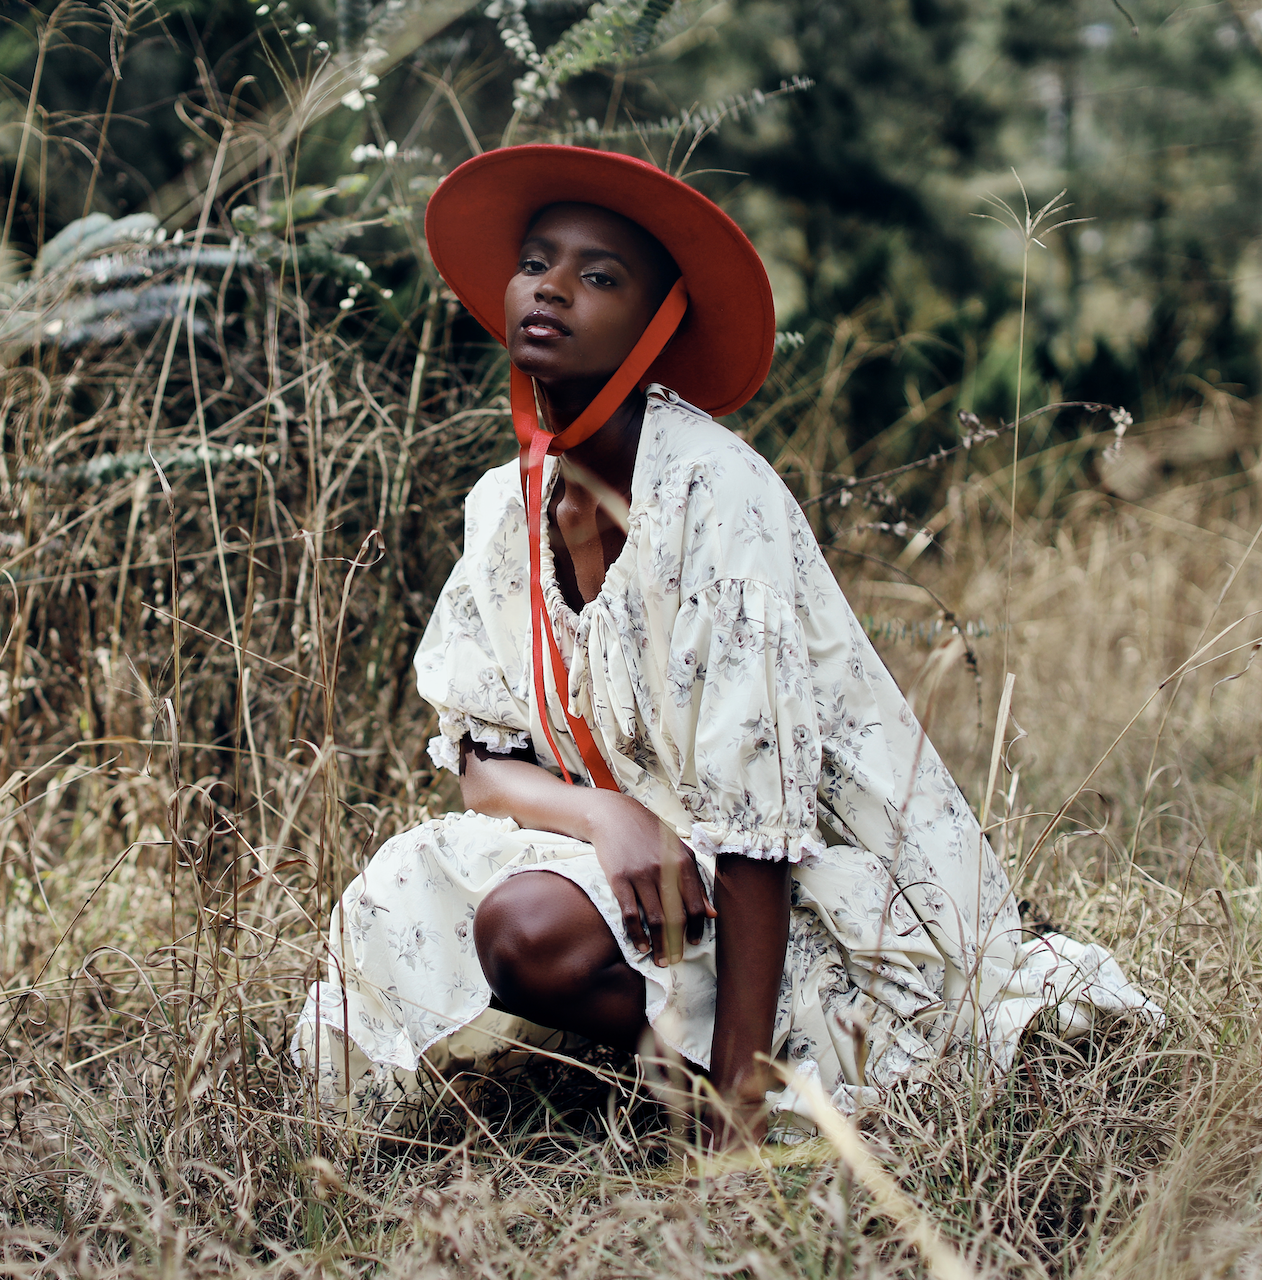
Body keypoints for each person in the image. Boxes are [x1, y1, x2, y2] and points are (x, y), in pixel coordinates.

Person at [292, 145, 1160, 1147]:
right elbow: (481, 759)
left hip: (800, 881)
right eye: (538, 261)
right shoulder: (503, 506)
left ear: (657, 325)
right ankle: (651, 1045)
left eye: (600, 276)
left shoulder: (713, 493)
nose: (553, 288)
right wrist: (602, 812)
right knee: (439, 894)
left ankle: (736, 1073)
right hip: (642, 855)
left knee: (532, 930)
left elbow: (758, 822)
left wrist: (741, 1111)